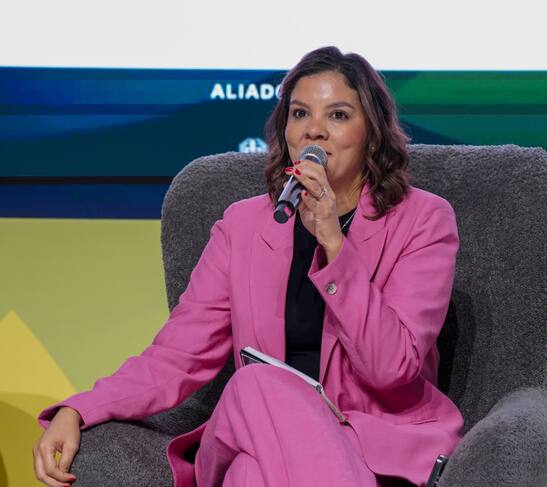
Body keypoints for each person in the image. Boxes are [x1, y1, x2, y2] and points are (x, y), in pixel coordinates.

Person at [32, 46, 463, 487]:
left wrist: (334, 245)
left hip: (373, 448)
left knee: (248, 471)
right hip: (264, 424)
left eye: (337, 115)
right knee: (256, 386)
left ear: (372, 133)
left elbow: (390, 368)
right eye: (300, 113)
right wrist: (79, 409)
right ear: (285, 131)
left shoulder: (423, 220)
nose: (314, 129)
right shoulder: (243, 226)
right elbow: (177, 356)